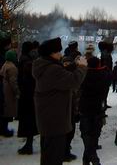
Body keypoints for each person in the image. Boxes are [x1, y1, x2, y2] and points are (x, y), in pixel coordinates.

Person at [32, 37, 87, 165]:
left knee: (48, 155)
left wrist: (75, 65)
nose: (61, 54)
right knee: (54, 157)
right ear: (51, 53)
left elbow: (62, 73)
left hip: (48, 119)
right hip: (55, 120)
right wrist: (82, 67)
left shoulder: (44, 65)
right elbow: (73, 81)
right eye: (58, 52)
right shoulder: (52, 69)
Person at [79, 56, 110, 165]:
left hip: (85, 108)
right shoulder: (103, 76)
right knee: (94, 133)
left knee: (86, 133)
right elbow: (105, 90)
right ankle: (91, 158)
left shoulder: (84, 75)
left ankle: (90, 158)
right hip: (98, 108)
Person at [17, 41, 38, 155]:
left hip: (27, 95)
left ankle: (28, 145)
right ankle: (28, 144)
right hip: (29, 95)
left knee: (28, 120)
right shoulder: (29, 59)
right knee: (29, 120)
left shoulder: (25, 60)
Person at [0, 49, 19, 137]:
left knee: (4, 110)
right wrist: (17, 92)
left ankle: (3, 129)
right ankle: (5, 130)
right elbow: (13, 82)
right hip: (9, 91)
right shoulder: (12, 67)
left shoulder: (5, 65)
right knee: (7, 112)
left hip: (4, 88)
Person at [0, 34, 12, 137]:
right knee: (4, 107)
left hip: (3, 85)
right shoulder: (3, 57)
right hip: (3, 85)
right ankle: (3, 129)